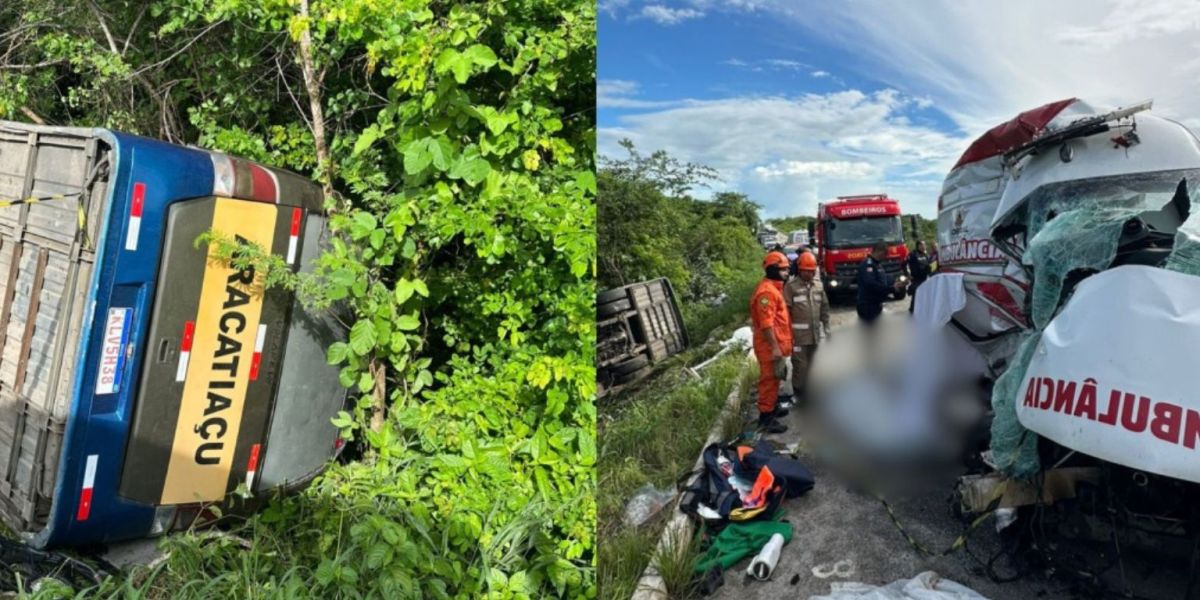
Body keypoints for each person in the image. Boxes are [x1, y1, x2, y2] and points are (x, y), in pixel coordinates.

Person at [750, 251, 793, 433]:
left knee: (775, 380)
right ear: (773, 269)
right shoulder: (766, 293)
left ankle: (772, 408)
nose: (786, 273)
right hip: (769, 347)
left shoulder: (774, 289)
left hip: (776, 345)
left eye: (787, 269)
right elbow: (766, 325)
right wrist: (775, 348)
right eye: (783, 270)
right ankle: (766, 419)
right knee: (768, 381)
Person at [784, 252, 829, 403]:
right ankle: (799, 393)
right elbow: (785, 312)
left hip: (815, 335)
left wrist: (827, 326)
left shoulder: (819, 286)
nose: (809, 273)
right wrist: (786, 334)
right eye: (806, 270)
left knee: (813, 364)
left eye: (811, 270)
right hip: (798, 337)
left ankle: (810, 391)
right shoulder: (791, 287)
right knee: (800, 366)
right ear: (799, 269)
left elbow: (824, 307)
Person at [856, 241, 904, 325]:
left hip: (876, 304)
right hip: (868, 306)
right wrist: (891, 288)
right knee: (870, 335)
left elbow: (883, 280)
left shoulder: (878, 265)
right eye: (886, 253)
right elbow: (871, 284)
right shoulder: (867, 264)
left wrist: (896, 283)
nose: (886, 256)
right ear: (880, 252)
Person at [905, 240, 932, 314]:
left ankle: (923, 310)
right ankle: (912, 310)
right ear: (918, 246)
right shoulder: (913, 254)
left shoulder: (925, 255)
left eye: (924, 245)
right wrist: (907, 274)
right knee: (916, 294)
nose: (924, 247)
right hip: (916, 278)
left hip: (925, 278)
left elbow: (929, 264)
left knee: (925, 295)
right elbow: (903, 264)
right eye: (922, 245)